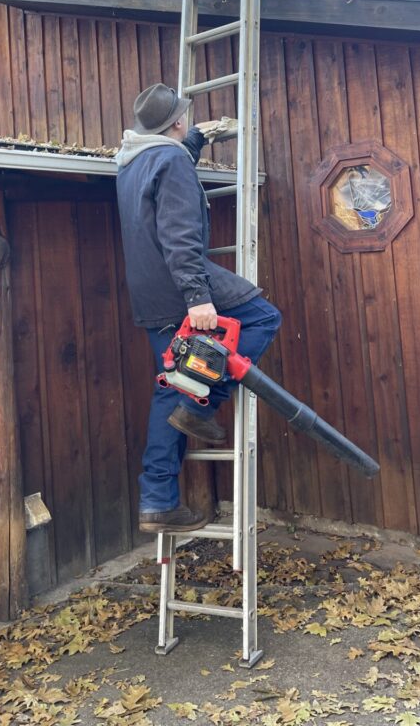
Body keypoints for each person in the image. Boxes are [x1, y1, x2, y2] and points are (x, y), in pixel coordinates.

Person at [116, 82, 282, 533]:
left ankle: (157, 501)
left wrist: (196, 139)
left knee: (170, 388)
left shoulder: (132, 162)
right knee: (263, 318)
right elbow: (179, 237)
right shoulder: (169, 162)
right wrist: (199, 299)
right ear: (176, 121)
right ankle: (203, 402)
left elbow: (169, 167)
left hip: (149, 294)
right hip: (178, 286)